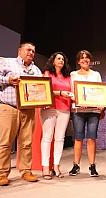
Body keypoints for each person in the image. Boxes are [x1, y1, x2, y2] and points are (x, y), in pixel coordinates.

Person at [0, 42, 42, 186]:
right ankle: (2, 173)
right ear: (20, 50)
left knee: (26, 143)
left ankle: (26, 171)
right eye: (28, 49)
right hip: (9, 107)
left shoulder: (36, 69)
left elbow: (41, 89)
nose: (31, 52)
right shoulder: (8, 63)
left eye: (33, 51)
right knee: (5, 142)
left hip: (29, 109)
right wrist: (8, 80)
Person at [69, 50, 103, 177]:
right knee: (78, 138)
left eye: (87, 58)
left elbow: (100, 92)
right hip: (78, 110)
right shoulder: (73, 74)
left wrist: (102, 106)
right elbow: (71, 92)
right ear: (78, 61)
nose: (85, 60)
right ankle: (75, 165)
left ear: (90, 60)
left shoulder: (96, 74)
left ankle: (92, 166)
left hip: (93, 111)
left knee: (91, 138)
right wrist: (78, 100)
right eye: (82, 58)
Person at [40, 52, 72, 180]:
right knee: (47, 138)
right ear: (53, 61)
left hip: (64, 109)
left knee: (60, 139)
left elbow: (72, 92)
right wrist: (60, 93)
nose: (61, 60)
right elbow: (43, 89)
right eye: (58, 58)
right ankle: (45, 167)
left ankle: (56, 166)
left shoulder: (67, 76)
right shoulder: (47, 73)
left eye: (63, 59)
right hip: (50, 108)